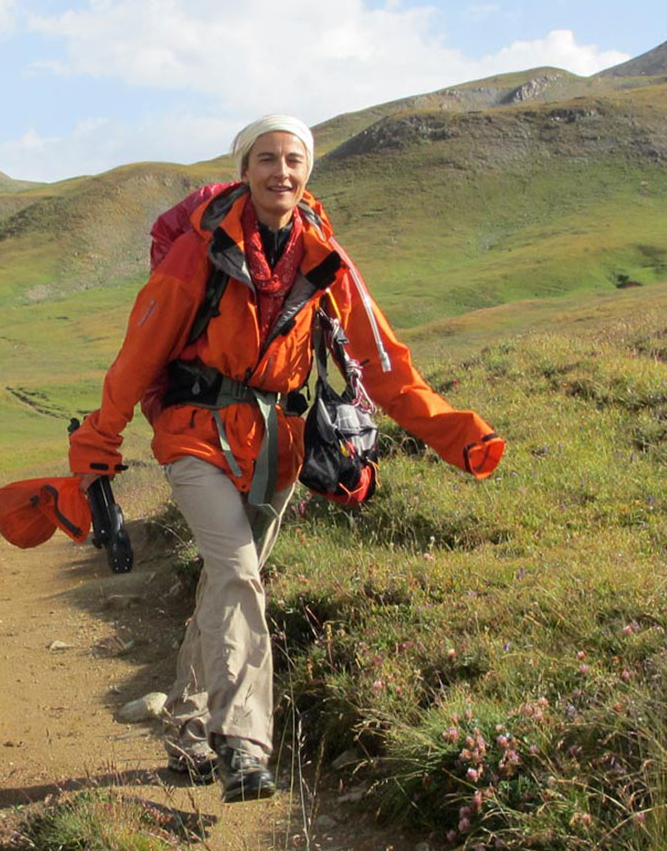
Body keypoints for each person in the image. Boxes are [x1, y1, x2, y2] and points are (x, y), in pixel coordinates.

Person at [68, 114, 504, 802]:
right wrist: (99, 444)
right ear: (244, 170)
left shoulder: (325, 256)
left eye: (293, 160)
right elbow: (138, 355)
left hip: (277, 444)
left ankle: (186, 726)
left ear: (308, 174)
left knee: (225, 582)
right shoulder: (198, 254)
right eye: (266, 159)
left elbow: (383, 362)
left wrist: (457, 434)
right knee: (239, 573)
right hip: (194, 434)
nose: (281, 172)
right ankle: (243, 744)